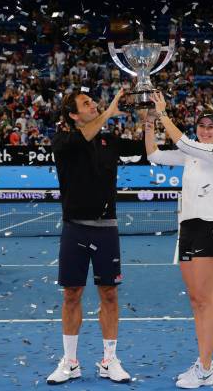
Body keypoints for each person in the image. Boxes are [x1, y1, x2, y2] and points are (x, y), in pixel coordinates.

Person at [47, 88, 142, 385]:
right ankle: (70, 362)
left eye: (93, 102)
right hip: (75, 227)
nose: (93, 105)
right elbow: (84, 136)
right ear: (74, 115)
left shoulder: (107, 140)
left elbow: (145, 150)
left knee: (109, 295)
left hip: (106, 229)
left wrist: (152, 119)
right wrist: (108, 112)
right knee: (71, 294)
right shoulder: (63, 140)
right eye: (86, 104)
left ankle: (109, 360)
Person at [144, 92, 213, 389]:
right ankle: (205, 364)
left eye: (211, 126)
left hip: (209, 227)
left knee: (206, 300)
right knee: (196, 300)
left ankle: (205, 369)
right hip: (187, 228)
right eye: (202, 125)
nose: (206, 130)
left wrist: (164, 113)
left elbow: (181, 142)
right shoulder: (191, 154)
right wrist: (150, 123)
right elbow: (154, 155)